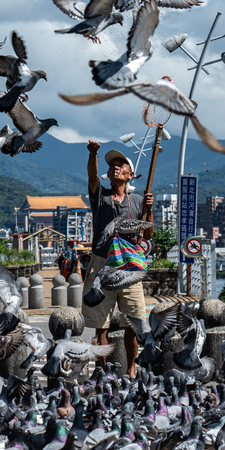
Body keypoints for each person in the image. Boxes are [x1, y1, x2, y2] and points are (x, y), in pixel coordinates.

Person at [82, 140, 153, 379]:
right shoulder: (101, 196)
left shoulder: (137, 200)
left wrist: (149, 209)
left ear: (130, 175)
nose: (115, 167)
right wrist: (93, 154)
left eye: (121, 165)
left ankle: (131, 370)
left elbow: (148, 235)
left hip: (129, 266)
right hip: (102, 262)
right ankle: (103, 371)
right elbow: (93, 177)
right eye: (112, 165)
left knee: (133, 321)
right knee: (101, 323)